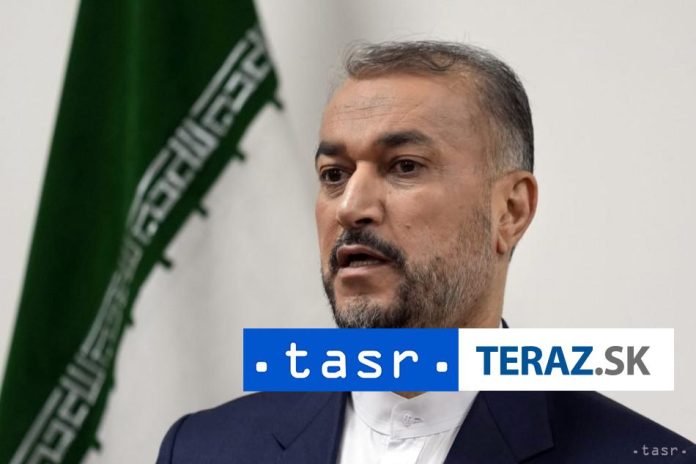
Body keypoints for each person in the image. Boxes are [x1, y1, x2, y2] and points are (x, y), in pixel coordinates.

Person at [156, 41, 695, 463]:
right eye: (334, 174)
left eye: (404, 166)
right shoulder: (202, 450)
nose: (351, 207)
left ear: (510, 211)